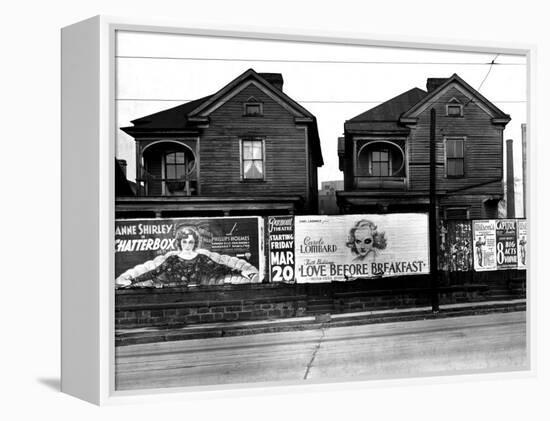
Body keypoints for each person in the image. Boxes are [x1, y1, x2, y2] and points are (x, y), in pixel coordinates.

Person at [115, 225, 260, 288]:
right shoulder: (172, 259)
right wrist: (132, 280)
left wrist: (242, 272)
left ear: (195, 242)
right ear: (180, 242)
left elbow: (220, 268)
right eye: (184, 241)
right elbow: (154, 272)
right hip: (175, 295)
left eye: (191, 241)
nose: (187, 244)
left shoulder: (201, 258)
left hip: (198, 294)